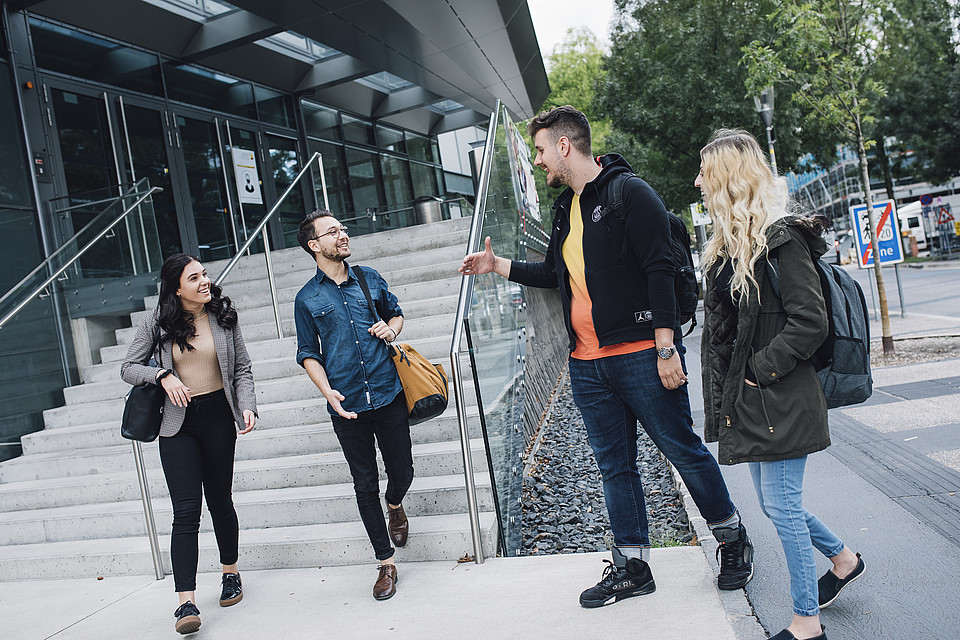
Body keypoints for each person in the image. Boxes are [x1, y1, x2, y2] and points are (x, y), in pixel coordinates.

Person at [460, 105, 754, 608]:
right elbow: (554, 274)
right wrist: (498, 265)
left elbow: (660, 270)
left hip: (643, 355)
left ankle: (731, 538)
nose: (538, 161)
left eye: (540, 150)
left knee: (682, 450)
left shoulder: (630, 193)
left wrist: (666, 347)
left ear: (565, 146)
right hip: (587, 364)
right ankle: (632, 567)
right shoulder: (566, 209)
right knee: (615, 467)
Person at [697, 129, 865, 640]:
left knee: (783, 508)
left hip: (782, 396)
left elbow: (810, 322)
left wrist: (758, 369)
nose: (697, 182)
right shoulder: (734, 247)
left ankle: (806, 621)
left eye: (705, 173)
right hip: (758, 400)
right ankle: (843, 558)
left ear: (728, 179)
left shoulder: (781, 241)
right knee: (775, 505)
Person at [120, 253, 257, 635]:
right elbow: (128, 367)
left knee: (220, 500)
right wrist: (162, 375)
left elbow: (242, 368)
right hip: (177, 424)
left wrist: (247, 405)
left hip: (218, 418)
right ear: (176, 288)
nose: (204, 281)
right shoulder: (158, 321)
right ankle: (186, 602)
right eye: (193, 277)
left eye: (204, 274)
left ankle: (230, 572)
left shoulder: (223, 315)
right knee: (185, 511)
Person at [293, 209, 413, 601]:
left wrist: (390, 329)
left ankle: (395, 503)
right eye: (333, 232)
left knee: (403, 470)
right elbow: (308, 352)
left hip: (387, 391)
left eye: (343, 229)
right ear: (314, 245)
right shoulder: (307, 298)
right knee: (364, 483)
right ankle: (385, 562)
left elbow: (396, 314)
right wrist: (326, 391)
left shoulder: (368, 277)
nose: (343, 235)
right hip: (347, 404)